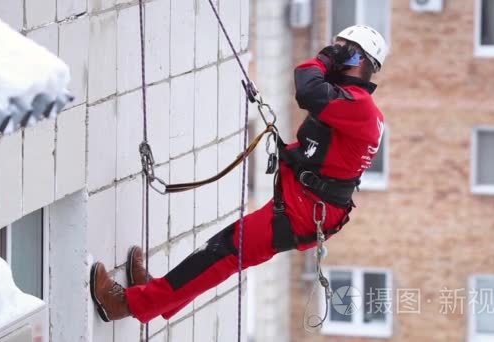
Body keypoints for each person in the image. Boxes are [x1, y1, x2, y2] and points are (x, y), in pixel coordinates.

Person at [89, 25, 388, 323]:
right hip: (305, 203)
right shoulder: (352, 103)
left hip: (306, 210)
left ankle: (127, 304)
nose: (334, 55)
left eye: (341, 49)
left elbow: (308, 88)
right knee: (219, 253)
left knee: (221, 253)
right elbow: (327, 151)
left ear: (356, 59)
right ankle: (154, 297)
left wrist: (324, 57)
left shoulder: (359, 106)